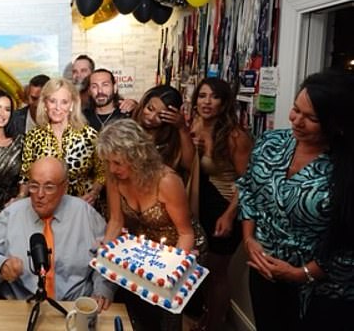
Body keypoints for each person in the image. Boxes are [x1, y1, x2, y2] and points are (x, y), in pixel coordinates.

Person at [238, 71, 354, 331]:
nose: (296, 120)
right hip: (264, 274)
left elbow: (348, 248)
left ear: (337, 124)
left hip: (322, 292)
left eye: (311, 118)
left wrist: (299, 273)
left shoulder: (344, 169)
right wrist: (249, 239)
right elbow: (248, 192)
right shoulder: (271, 143)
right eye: (295, 109)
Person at [97, 118, 206, 331]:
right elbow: (116, 221)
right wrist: (105, 253)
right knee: (138, 307)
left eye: (117, 162)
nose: (112, 168)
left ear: (137, 155)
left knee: (167, 311)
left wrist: (173, 271)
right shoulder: (114, 177)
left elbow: (186, 233)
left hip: (183, 246)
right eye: (108, 162)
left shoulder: (166, 180)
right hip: (148, 249)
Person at [0, 156, 115, 309]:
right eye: (34, 186)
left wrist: (102, 290)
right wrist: (0, 267)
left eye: (49, 187)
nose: (39, 194)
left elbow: (107, 256)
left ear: (64, 187)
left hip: (76, 307)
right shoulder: (12, 214)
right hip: (22, 307)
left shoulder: (84, 213)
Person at [189, 77, 252, 331]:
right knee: (203, 269)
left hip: (226, 206)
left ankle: (213, 325)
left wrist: (229, 215)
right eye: (202, 96)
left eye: (213, 97)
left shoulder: (235, 136)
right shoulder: (195, 124)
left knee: (217, 272)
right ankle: (207, 317)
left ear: (224, 103)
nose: (207, 102)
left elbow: (248, 182)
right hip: (203, 203)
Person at [20, 78, 104, 207]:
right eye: (52, 101)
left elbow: (102, 173)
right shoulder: (33, 136)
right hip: (47, 206)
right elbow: (26, 176)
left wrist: (93, 193)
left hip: (82, 207)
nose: (58, 108)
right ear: (45, 104)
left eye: (64, 102)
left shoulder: (89, 135)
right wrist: (20, 197)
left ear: (72, 105)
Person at [133, 84, 194, 172]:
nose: (151, 117)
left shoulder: (171, 140)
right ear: (143, 104)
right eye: (150, 109)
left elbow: (189, 165)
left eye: (160, 116)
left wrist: (182, 128)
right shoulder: (128, 126)